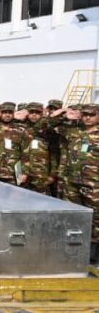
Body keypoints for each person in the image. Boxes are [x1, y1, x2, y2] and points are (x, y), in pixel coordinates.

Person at [52, 104, 98, 262]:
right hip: (72, 182)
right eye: (84, 114)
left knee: (96, 219)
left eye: (91, 115)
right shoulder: (74, 132)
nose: (87, 118)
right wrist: (63, 113)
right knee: (73, 216)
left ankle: (94, 255)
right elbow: (48, 125)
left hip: (93, 184)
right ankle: (73, 251)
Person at [0, 101, 31, 185]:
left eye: (10, 112)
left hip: (11, 174)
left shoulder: (21, 130)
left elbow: (26, 152)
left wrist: (24, 172)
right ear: (0, 113)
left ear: (13, 114)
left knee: (11, 198)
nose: (7, 115)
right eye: (4, 112)